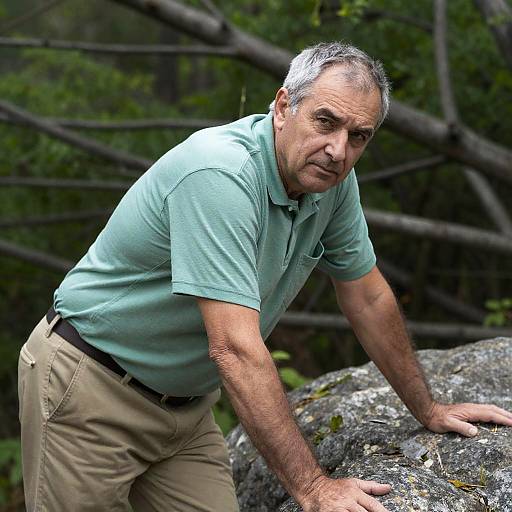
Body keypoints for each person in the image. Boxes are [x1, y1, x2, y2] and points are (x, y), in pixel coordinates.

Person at [18, 42, 512, 512]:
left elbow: (367, 298)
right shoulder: (220, 174)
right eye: (325, 121)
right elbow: (234, 349)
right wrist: (314, 488)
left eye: (358, 136)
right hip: (90, 388)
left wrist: (428, 409)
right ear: (282, 106)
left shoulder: (332, 183)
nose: (338, 150)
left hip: (184, 411)